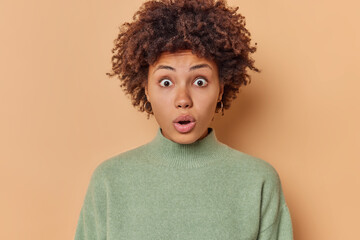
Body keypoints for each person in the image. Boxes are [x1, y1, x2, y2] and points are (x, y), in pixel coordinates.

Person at [74, 0, 293, 239]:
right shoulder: (109, 181)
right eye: (166, 82)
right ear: (146, 88)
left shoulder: (258, 181)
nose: (183, 99)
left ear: (220, 88)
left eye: (200, 81)